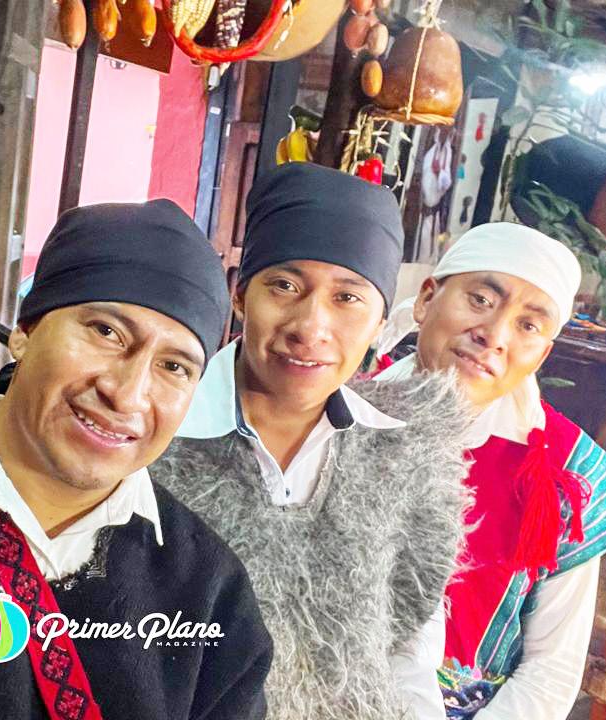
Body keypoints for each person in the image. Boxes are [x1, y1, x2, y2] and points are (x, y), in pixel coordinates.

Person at [150, 162, 474, 720]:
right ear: (240, 294)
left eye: (348, 298)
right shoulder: (153, 435)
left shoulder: (406, 455)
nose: (310, 326)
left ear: (380, 321)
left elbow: (408, 656)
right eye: (285, 286)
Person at [0, 200, 273, 720]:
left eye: (174, 366)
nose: (126, 395)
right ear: (25, 330)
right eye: (106, 332)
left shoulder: (208, 592)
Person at [376, 222, 606, 719]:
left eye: (528, 326)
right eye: (480, 300)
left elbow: (551, 669)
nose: (494, 335)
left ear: (543, 353)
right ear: (426, 299)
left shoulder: (563, 473)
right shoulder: (342, 418)